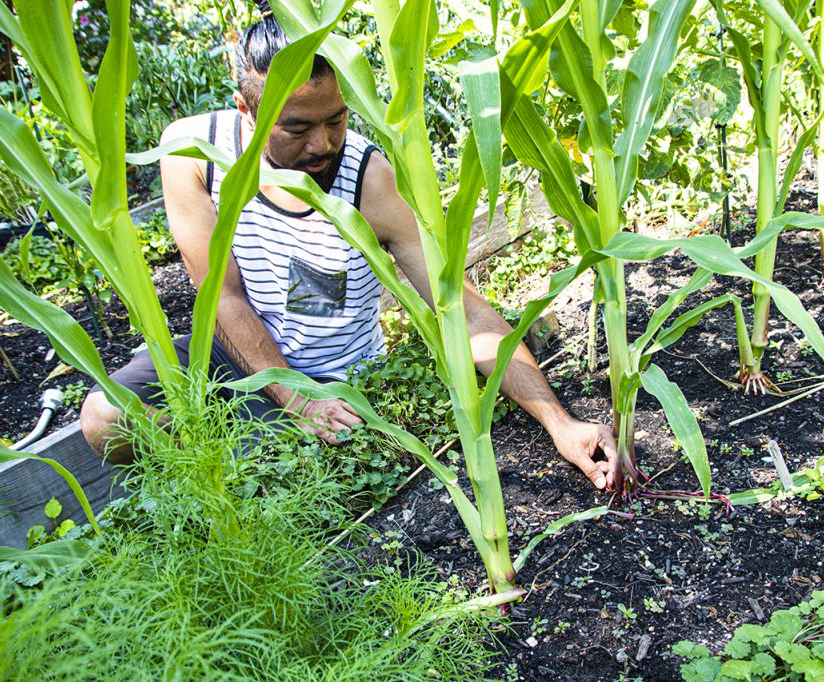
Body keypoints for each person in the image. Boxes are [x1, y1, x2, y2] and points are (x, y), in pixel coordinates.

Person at [79, 13, 619, 490]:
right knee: (105, 417)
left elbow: (463, 308)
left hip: (339, 377)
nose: (322, 144)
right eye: (296, 127)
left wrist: (560, 422)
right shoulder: (196, 156)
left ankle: (257, 464)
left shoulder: (370, 182)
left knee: (299, 486)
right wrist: (293, 399)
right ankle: (210, 486)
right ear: (248, 110)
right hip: (234, 353)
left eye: (336, 119)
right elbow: (220, 297)